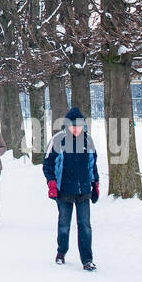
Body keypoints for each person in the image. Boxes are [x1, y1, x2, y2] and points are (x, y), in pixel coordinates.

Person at [42, 107, 99, 271]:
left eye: (79, 126)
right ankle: (61, 252)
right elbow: (48, 164)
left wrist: (95, 184)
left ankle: (87, 259)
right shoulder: (58, 140)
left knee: (85, 225)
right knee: (64, 223)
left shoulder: (88, 141)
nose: (76, 129)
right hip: (64, 190)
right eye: (73, 126)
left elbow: (92, 165)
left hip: (83, 190)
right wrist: (51, 183)